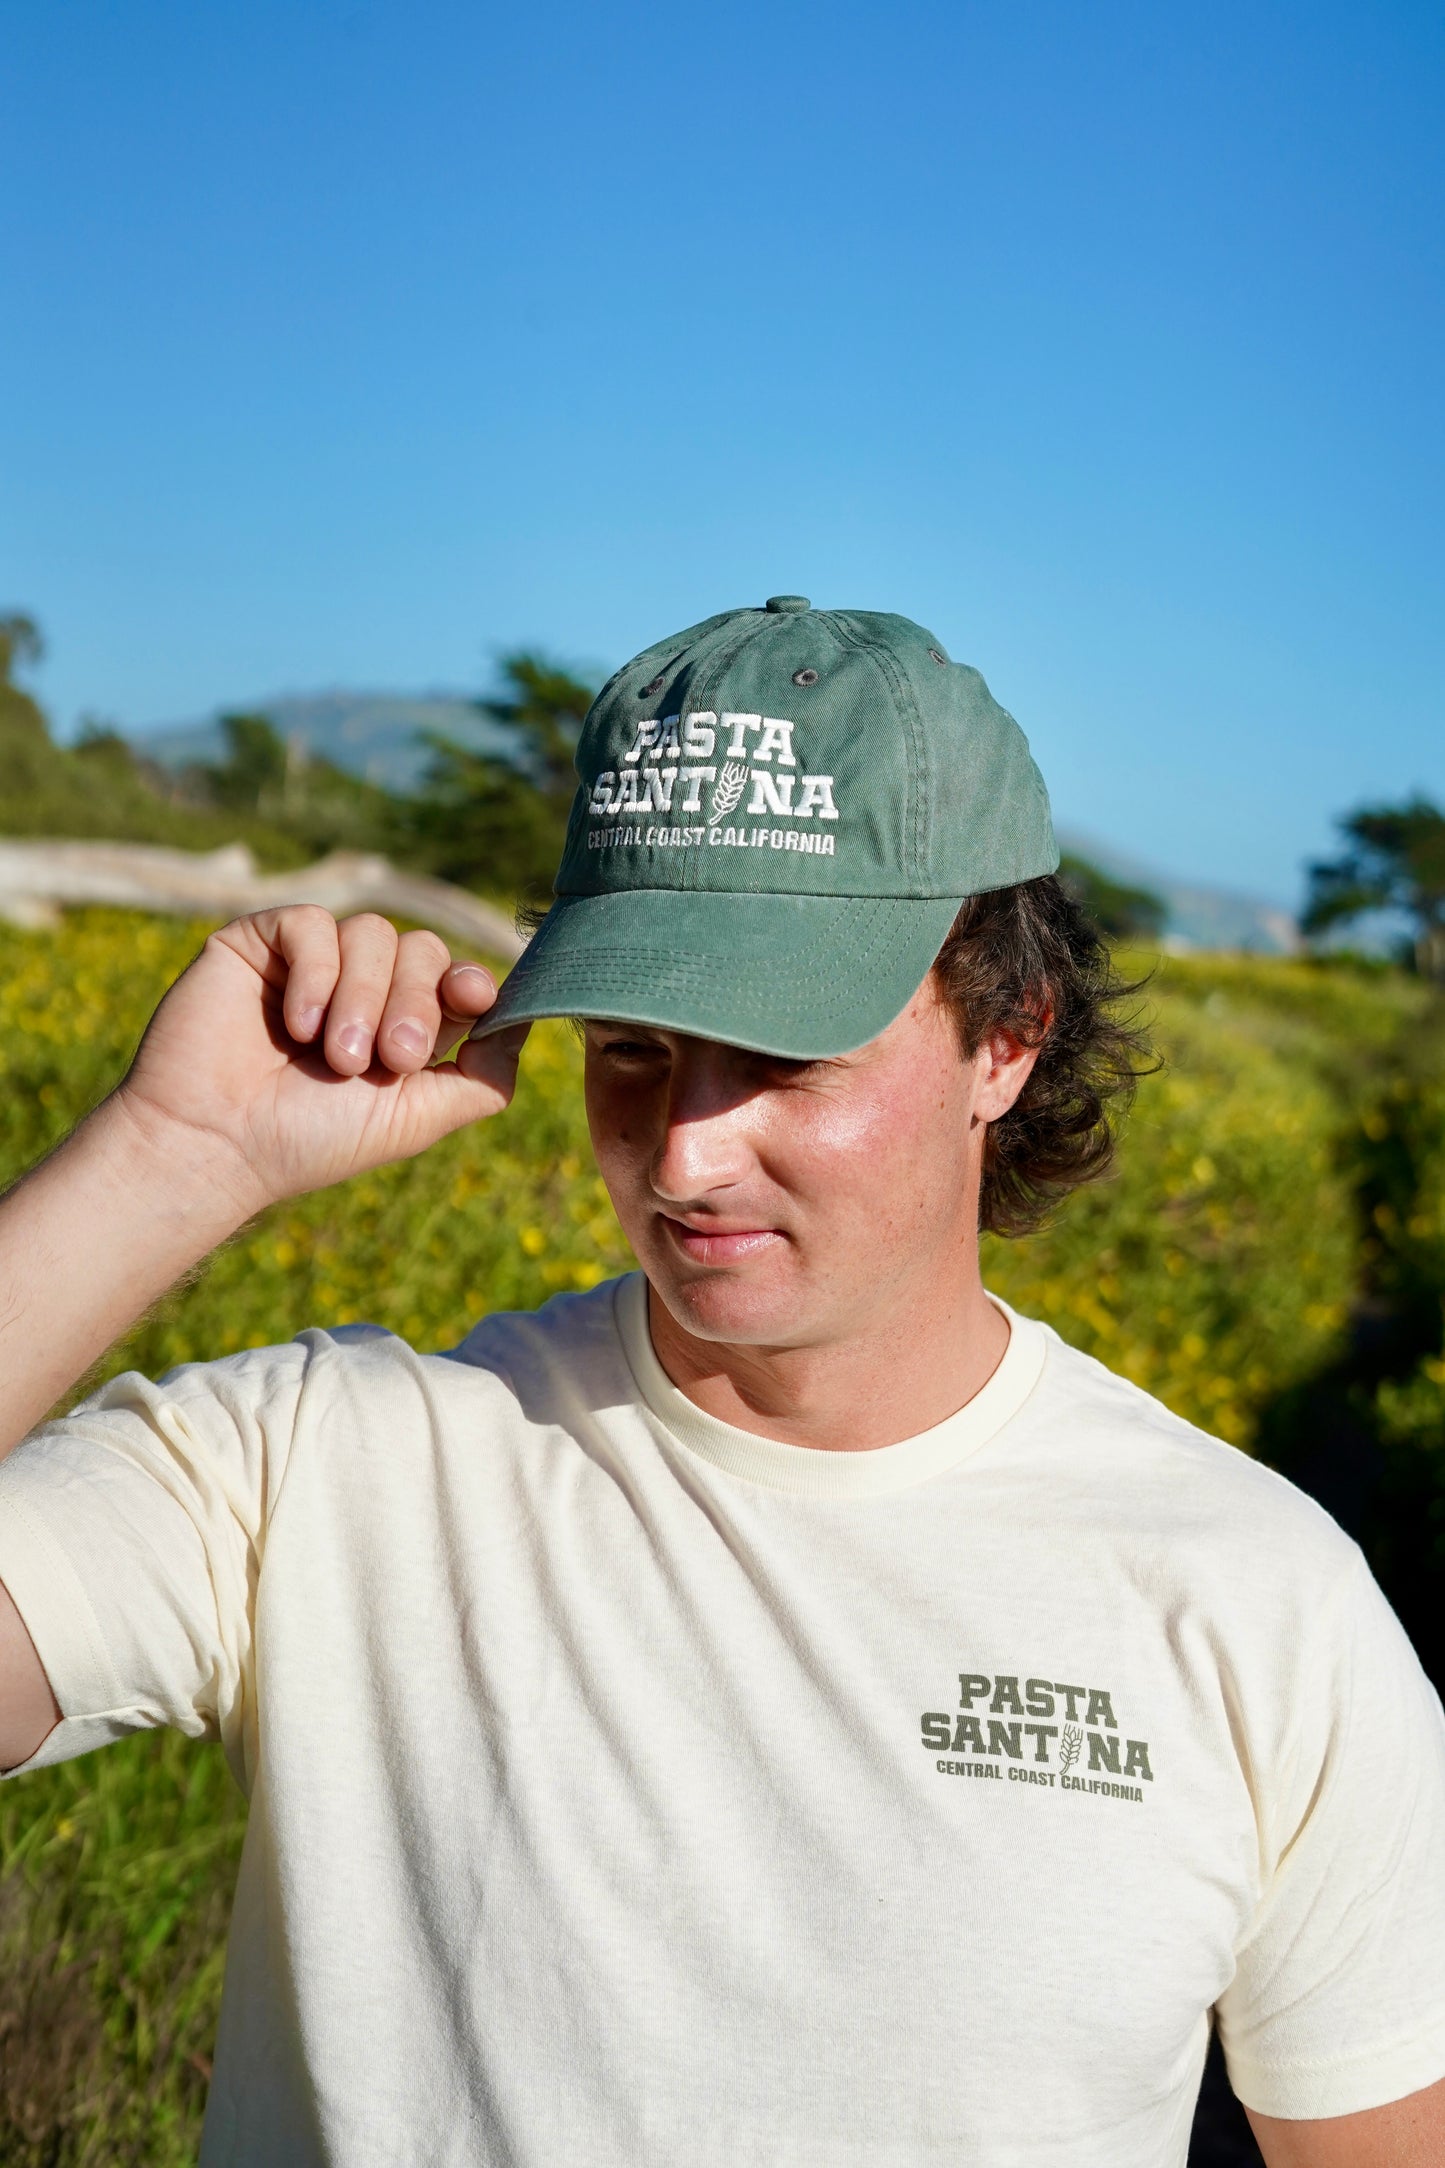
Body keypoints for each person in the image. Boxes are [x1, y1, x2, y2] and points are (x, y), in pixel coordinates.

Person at [0, 597, 1442, 2168]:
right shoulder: (320, 1471)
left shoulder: (1257, 1606)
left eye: (780, 1054)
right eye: (628, 1047)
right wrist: (167, 1161)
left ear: (1008, 1039)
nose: (683, 1152)